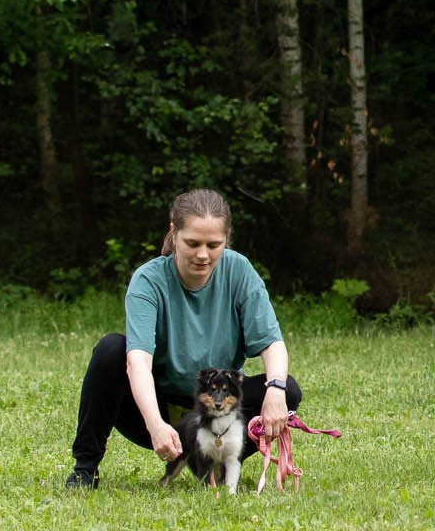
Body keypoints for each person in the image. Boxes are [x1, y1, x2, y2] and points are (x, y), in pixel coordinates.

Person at [67, 188, 297, 488]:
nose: (203, 255)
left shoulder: (240, 271)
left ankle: (217, 464)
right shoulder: (148, 280)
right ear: (173, 233)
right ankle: (85, 469)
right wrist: (155, 425)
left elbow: (272, 344)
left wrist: (276, 391)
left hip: (218, 409)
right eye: (193, 243)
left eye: (214, 245)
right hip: (158, 409)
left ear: (226, 240)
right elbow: (137, 362)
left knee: (287, 389)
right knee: (111, 349)